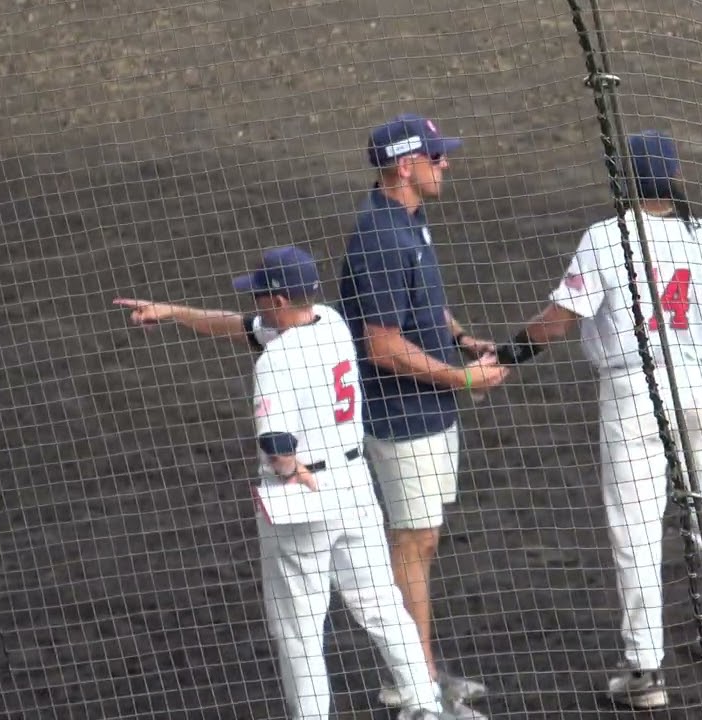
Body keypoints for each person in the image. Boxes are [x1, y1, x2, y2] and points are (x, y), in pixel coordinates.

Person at [113, 246, 454, 720]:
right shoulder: (332, 323)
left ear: (277, 299)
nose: (253, 301)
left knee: (299, 626)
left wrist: (291, 470)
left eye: (259, 294)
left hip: (306, 497)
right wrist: (174, 312)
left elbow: (275, 441)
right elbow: (234, 325)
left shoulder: (275, 361)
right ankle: (424, 705)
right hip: (356, 486)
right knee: (381, 604)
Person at [491, 131, 702, 709]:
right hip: (691, 386)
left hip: (631, 391)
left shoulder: (607, 237)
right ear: (676, 176)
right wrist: (685, 381)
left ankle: (645, 669)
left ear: (627, 179)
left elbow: (558, 321)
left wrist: (506, 355)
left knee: (634, 530)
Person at [337, 113, 507, 717]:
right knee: (411, 544)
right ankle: (416, 691)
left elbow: (426, 309)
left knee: (423, 541)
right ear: (404, 167)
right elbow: (381, 346)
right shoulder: (380, 238)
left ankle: (422, 671)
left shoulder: (411, 221)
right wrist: (463, 377)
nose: (447, 164)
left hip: (430, 411)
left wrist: (462, 342)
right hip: (402, 418)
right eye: (437, 157)